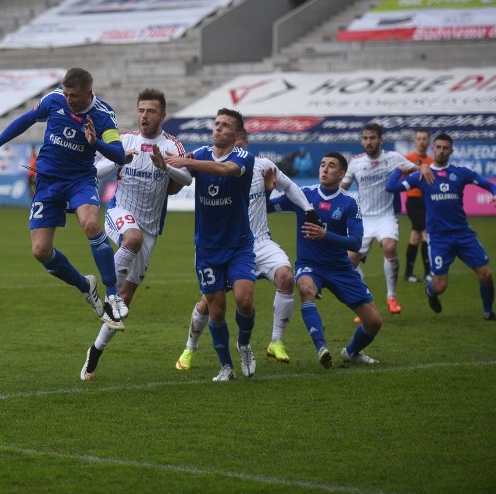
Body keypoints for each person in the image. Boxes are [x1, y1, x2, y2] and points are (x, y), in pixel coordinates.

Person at [0, 67, 128, 332]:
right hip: (47, 181)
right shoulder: (54, 100)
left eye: (75, 96)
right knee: (40, 252)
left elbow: (118, 154)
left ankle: (113, 293)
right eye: (67, 94)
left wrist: (96, 144)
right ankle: (86, 286)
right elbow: (26, 119)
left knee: (91, 225)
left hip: (80, 180)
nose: (69, 100)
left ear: (88, 93)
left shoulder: (104, 116)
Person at [174, 131, 316, 368]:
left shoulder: (261, 166)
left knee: (286, 277)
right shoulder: (210, 165)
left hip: (259, 241)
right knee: (208, 304)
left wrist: (308, 208)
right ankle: (190, 347)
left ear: (244, 142)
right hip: (226, 245)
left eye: (237, 143)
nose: (232, 149)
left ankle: (275, 342)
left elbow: (289, 187)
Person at [79, 88, 192, 380]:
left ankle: (94, 352)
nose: (144, 116)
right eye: (141, 110)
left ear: (162, 116)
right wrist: (119, 161)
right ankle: (106, 292)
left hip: (151, 227)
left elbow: (188, 178)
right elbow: (95, 172)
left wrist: (164, 165)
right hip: (120, 214)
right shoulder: (125, 140)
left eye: (151, 111)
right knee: (132, 239)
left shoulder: (171, 146)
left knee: (125, 301)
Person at [163, 108, 257, 382]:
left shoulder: (242, 157)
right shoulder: (199, 155)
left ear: (237, 135)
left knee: (245, 300)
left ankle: (244, 345)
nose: (218, 128)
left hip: (238, 244)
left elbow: (226, 170)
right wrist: (166, 167)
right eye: (216, 124)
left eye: (225, 125)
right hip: (207, 248)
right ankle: (226, 367)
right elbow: (176, 188)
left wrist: (187, 163)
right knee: (216, 309)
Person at [270, 152, 383, 368]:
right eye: (322, 164)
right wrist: (265, 189)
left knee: (374, 322)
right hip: (309, 265)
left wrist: (325, 236)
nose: (325, 169)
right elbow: (269, 206)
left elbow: (356, 243)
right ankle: (322, 348)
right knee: (304, 289)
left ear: (342, 174)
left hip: (340, 268)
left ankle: (351, 352)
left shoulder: (350, 202)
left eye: (331, 166)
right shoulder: (303, 194)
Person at [386, 132, 496, 320]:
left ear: (451, 151)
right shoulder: (422, 176)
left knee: (485, 274)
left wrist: (495, 193)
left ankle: (488, 313)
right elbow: (391, 187)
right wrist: (403, 168)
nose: (441, 151)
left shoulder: (461, 173)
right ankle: (431, 292)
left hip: (463, 235)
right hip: (438, 238)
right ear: (433, 149)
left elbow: (490, 186)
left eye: (445, 148)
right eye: (438, 147)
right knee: (440, 286)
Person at [342, 122, 433, 316]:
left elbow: (416, 168)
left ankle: (392, 296)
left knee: (390, 246)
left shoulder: (393, 158)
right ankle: (365, 300)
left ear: (381, 139)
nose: (368, 142)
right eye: (365, 138)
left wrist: (423, 167)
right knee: (350, 262)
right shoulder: (356, 162)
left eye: (372, 138)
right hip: (363, 219)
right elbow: (343, 188)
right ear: (362, 140)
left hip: (386, 216)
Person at [403, 128, 434, 283]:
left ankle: (409, 273)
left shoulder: (431, 161)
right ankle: (428, 273)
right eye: (419, 139)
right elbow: (398, 178)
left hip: (427, 201)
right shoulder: (408, 159)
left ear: (428, 141)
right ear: (415, 141)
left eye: (424, 139)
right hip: (414, 201)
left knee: (415, 236)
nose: (422, 141)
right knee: (425, 233)